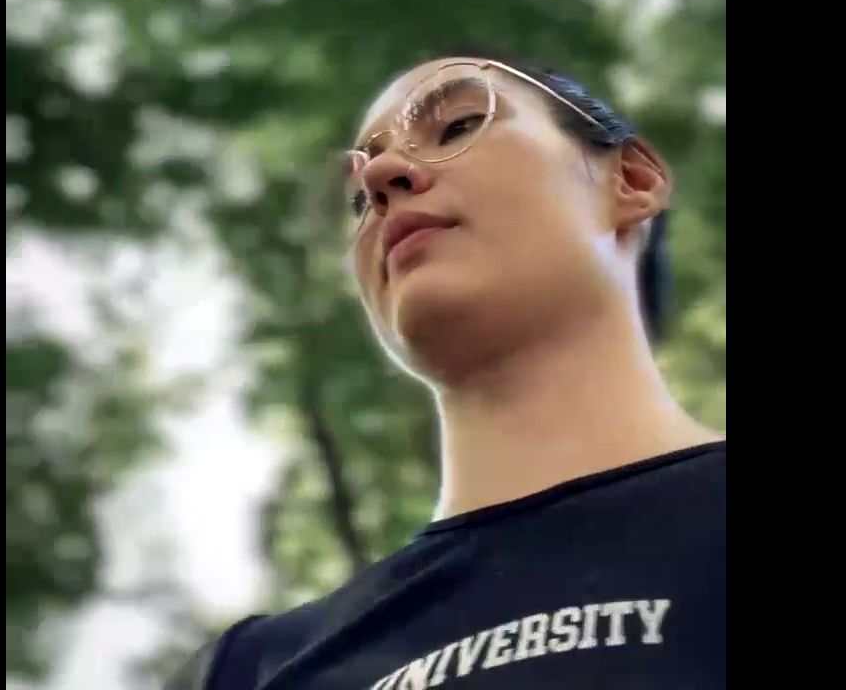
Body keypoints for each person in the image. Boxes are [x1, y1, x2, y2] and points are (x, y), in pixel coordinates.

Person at [168, 50, 725, 690]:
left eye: (458, 125)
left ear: (631, 178)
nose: (383, 177)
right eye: (358, 199)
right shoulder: (248, 670)